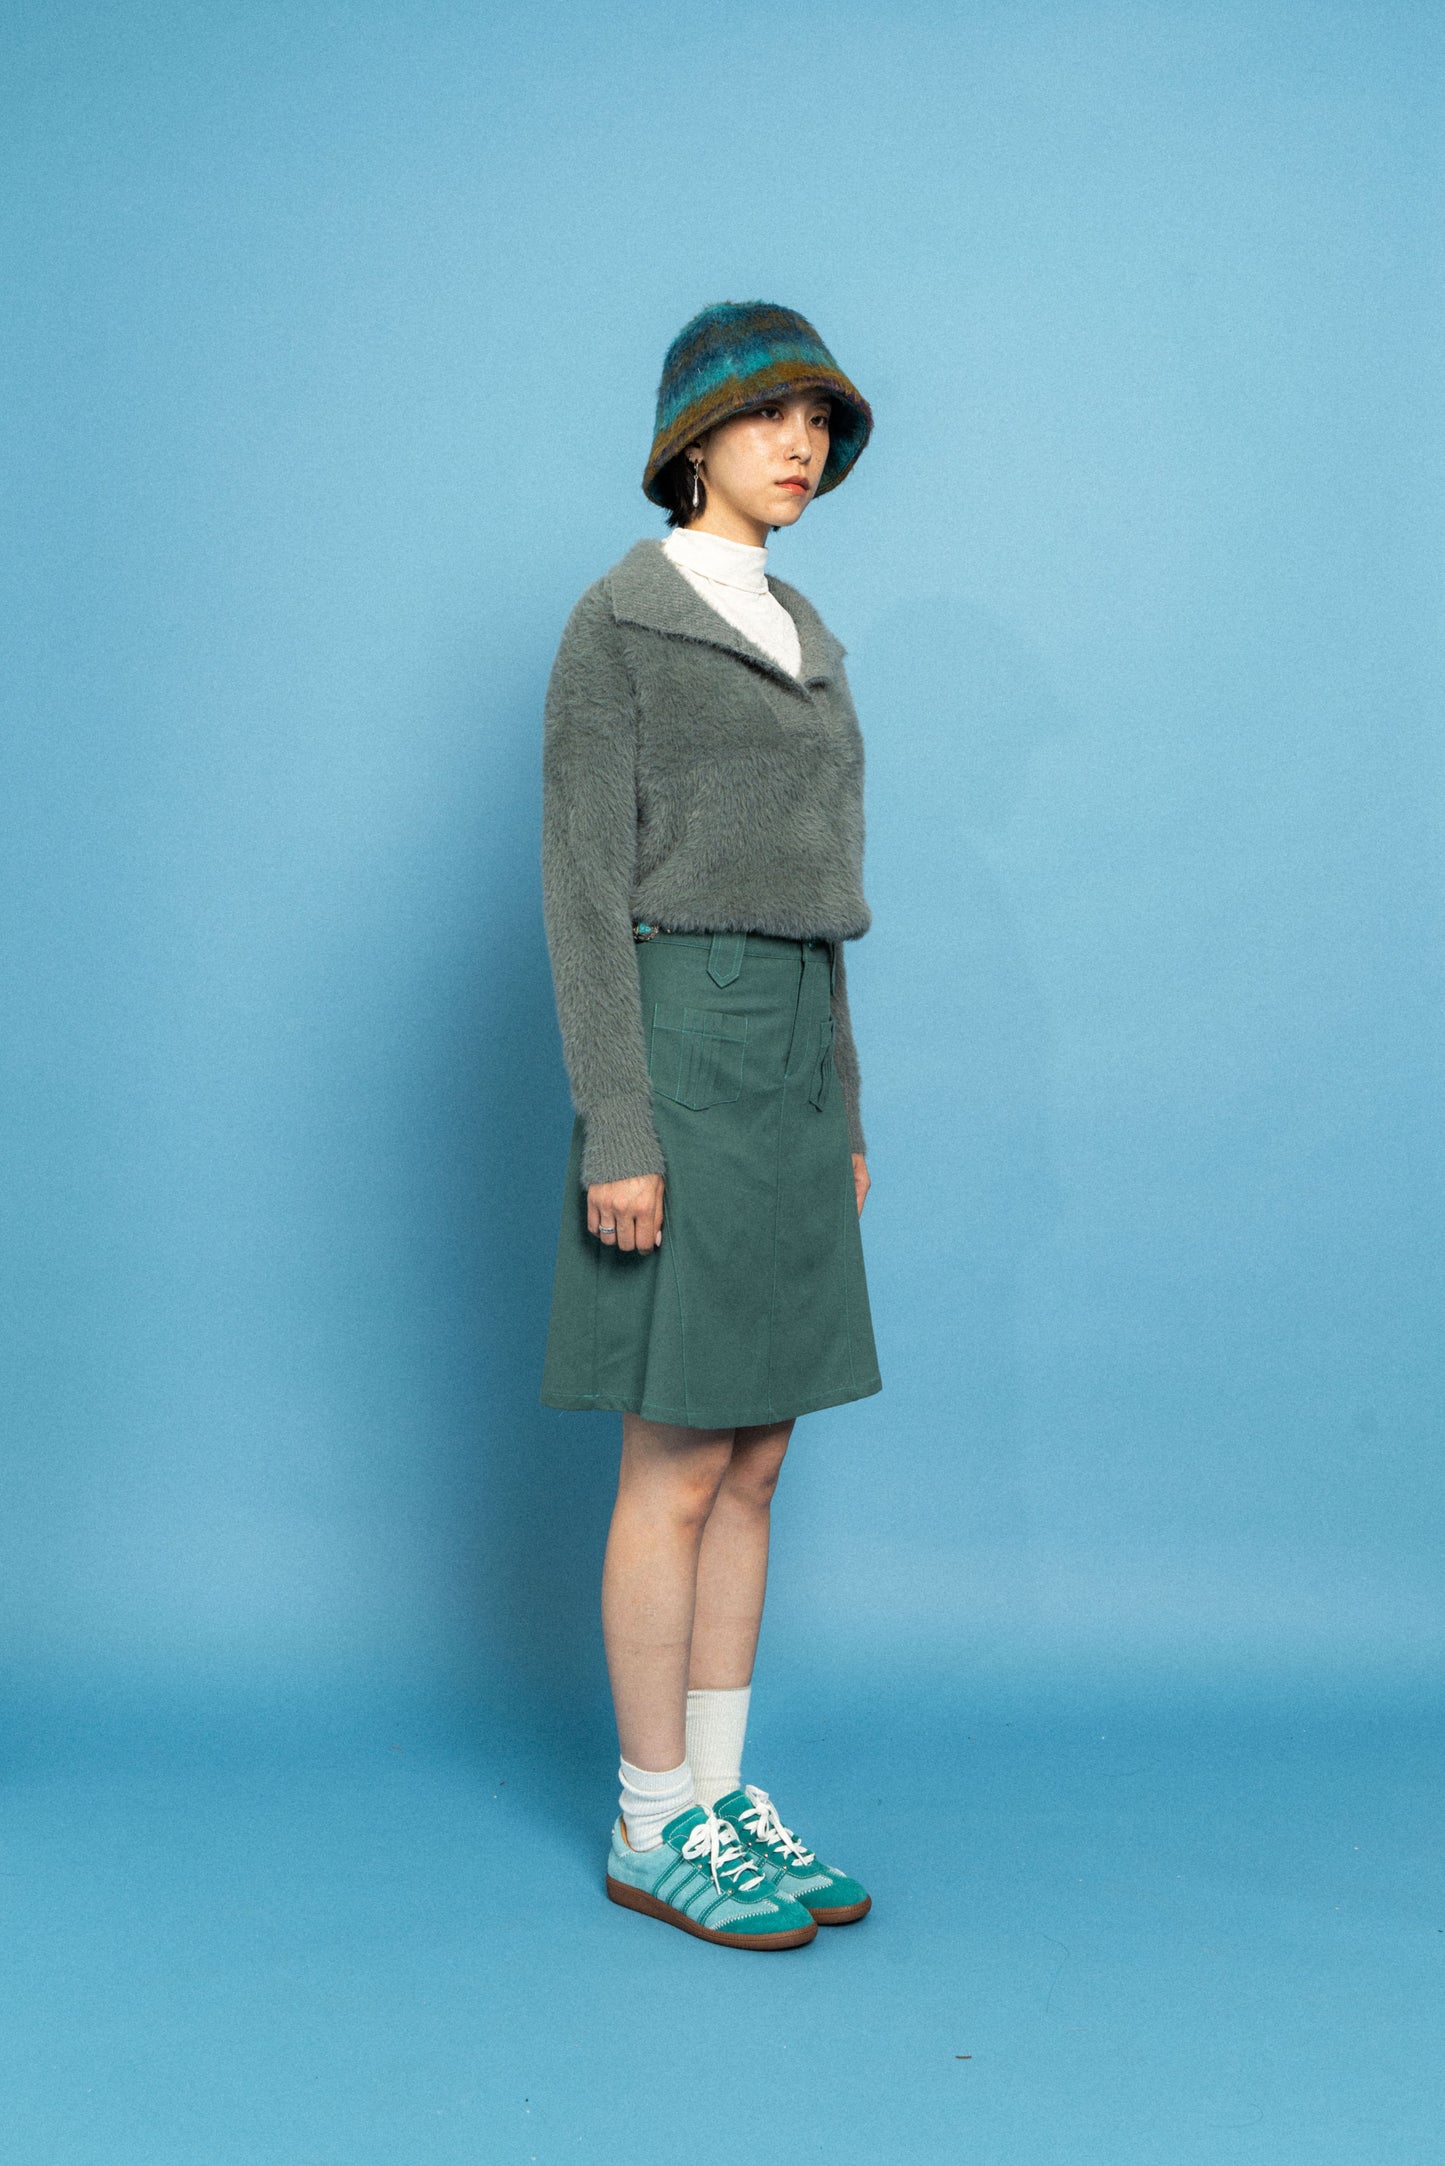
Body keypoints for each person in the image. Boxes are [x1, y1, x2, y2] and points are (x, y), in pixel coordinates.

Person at [538, 300, 883, 1951]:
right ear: (691, 442)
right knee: (675, 1456)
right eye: (766, 417)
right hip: (677, 1046)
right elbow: (580, 892)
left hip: (793, 1050)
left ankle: (722, 1796)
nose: (797, 444)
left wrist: (843, 1100)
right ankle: (648, 1814)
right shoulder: (617, 624)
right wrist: (618, 1122)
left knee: (757, 1453)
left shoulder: (805, 629)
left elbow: (819, 900)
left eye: (817, 421)